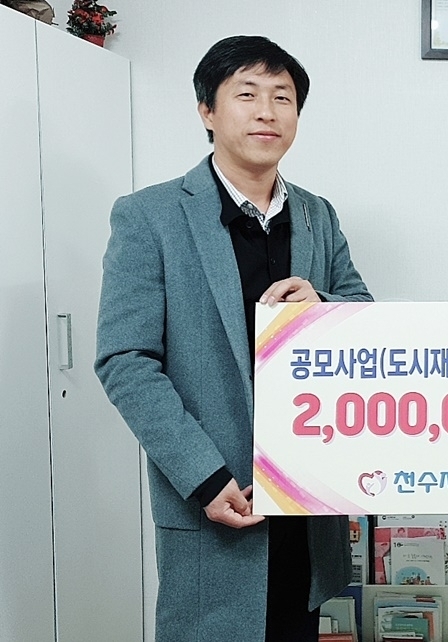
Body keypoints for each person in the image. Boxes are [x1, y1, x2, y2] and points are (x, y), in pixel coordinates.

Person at [94, 35, 372, 642]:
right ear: (207, 110)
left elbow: (363, 319)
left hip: (303, 501)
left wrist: (323, 305)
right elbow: (126, 360)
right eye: (247, 95)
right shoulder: (150, 215)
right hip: (217, 495)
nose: (267, 112)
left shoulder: (317, 215)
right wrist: (202, 475)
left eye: (283, 97)